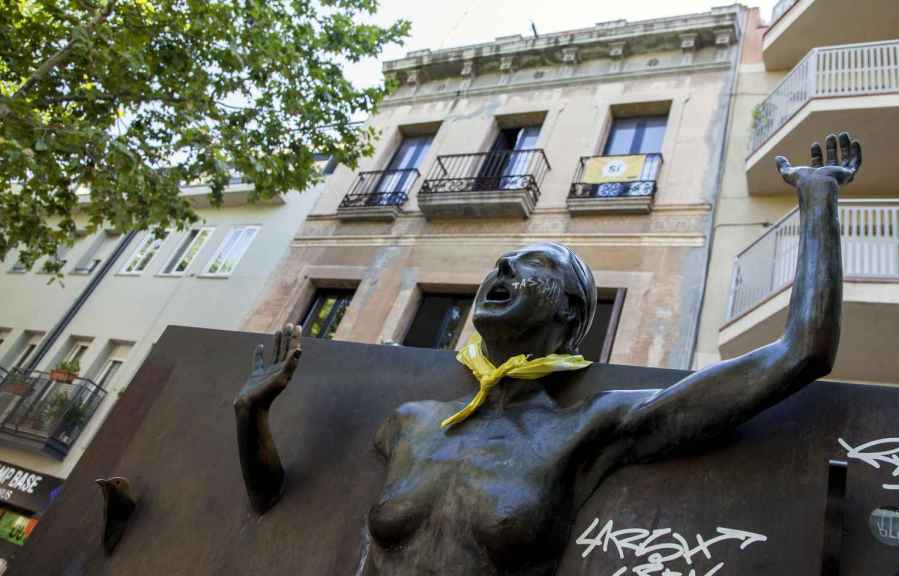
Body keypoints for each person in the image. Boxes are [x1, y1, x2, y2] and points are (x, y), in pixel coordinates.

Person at [234, 133, 862, 575]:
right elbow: (270, 502)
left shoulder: (588, 429)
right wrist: (250, 417)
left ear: (569, 312)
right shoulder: (411, 421)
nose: (503, 264)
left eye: (534, 266)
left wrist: (817, 201)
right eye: (504, 261)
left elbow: (800, 353)